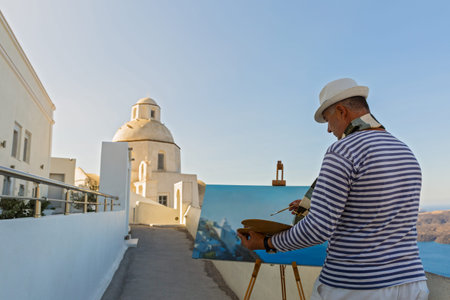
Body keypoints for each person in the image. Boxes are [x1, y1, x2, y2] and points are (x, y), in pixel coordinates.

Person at [238, 78, 429, 300]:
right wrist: (312, 206)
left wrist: (266, 243)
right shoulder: (405, 151)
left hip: (357, 287)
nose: (329, 130)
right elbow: (375, 208)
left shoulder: (343, 151)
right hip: (412, 284)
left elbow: (318, 229)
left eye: (328, 120)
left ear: (341, 111)